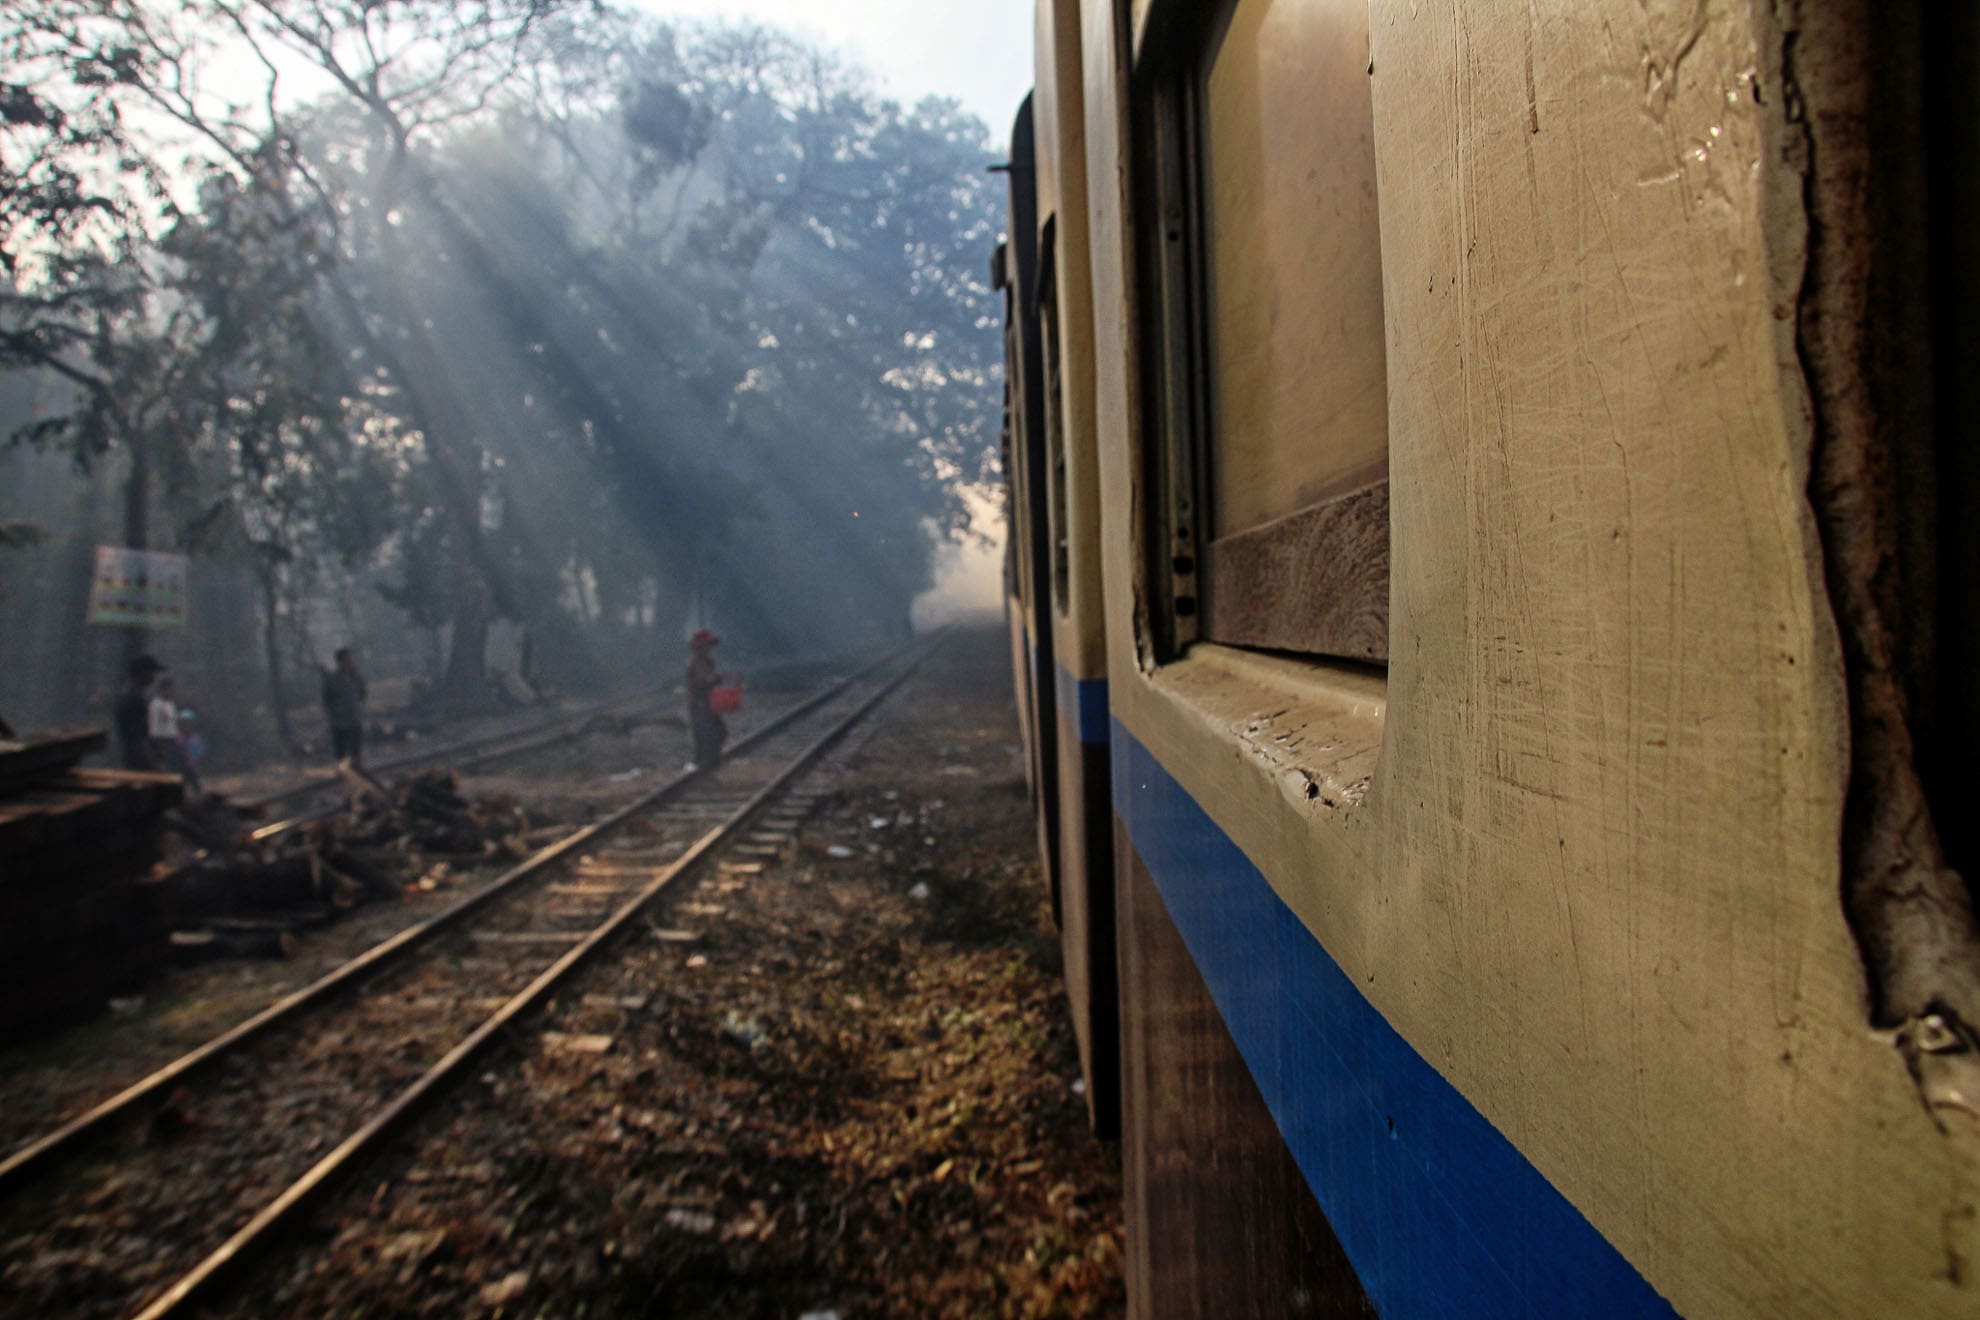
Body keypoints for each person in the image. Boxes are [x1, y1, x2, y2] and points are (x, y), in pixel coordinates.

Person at [684, 629, 732, 771]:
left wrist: (716, 678)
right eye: (707, 645)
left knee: (717, 732)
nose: (710, 648)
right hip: (699, 703)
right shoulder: (694, 662)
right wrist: (715, 679)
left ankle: (709, 762)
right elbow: (700, 683)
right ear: (700, 647)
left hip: (708, 702)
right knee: (708, 734)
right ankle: (705, 764)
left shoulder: (707, 661)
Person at [148, 676, 202, 795]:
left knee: (183, 767)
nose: (173, 692)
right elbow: (164, 723)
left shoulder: (169, 704)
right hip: (163, 742)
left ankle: (195, 790)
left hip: (172, 740)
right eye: (171, 689)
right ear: (164, 689)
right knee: (176, 768)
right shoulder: (157, 704)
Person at [113, 654, 166, 771]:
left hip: (133, 762)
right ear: (143, 672)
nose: (154, 676)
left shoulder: (130, 696)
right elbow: (139, 740)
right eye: (152, 671)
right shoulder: (134, 700)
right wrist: (155, 768)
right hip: (140, 765)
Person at [322, 647, 368, 765]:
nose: (350, 663)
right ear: (340, 662)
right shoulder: (332, 680)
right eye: (347, 660)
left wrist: (357, 708)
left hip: (355, 720)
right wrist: (336, 713)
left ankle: (359, 773)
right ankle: (344, 776)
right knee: (341, 754)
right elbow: (327, 699)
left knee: (356, 752)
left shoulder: (357, 677)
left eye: (351, 660)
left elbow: (363, 695)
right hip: (339, 723)